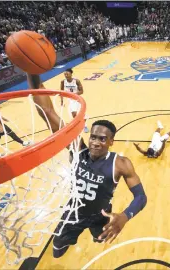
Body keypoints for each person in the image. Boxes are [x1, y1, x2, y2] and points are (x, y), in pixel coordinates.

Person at [26, 74, 147, 258]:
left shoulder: (120, 164)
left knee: (100, 239)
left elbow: (141, 197)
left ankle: (95, 234)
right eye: (93, 137)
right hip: (73, 213)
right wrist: (31, 71)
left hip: (101, 214)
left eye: (102, 139)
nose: (95, 143)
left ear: (111, 142)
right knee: (57, 252)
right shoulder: (78, 151)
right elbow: (47, 111)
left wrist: (125, 216)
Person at [60, 68, 89, 133]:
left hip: (77, 98)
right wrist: (62, 101)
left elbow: (81, 91)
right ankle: (80, 125)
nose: (66, 75)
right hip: (70, 99)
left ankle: (84, 126)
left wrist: (74, 94)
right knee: (74, 115)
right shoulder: (63, 82)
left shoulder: (76, 81)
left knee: (79, 113)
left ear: (71, 74)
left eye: (67, 74)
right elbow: (61, 92)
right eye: (65, 74)